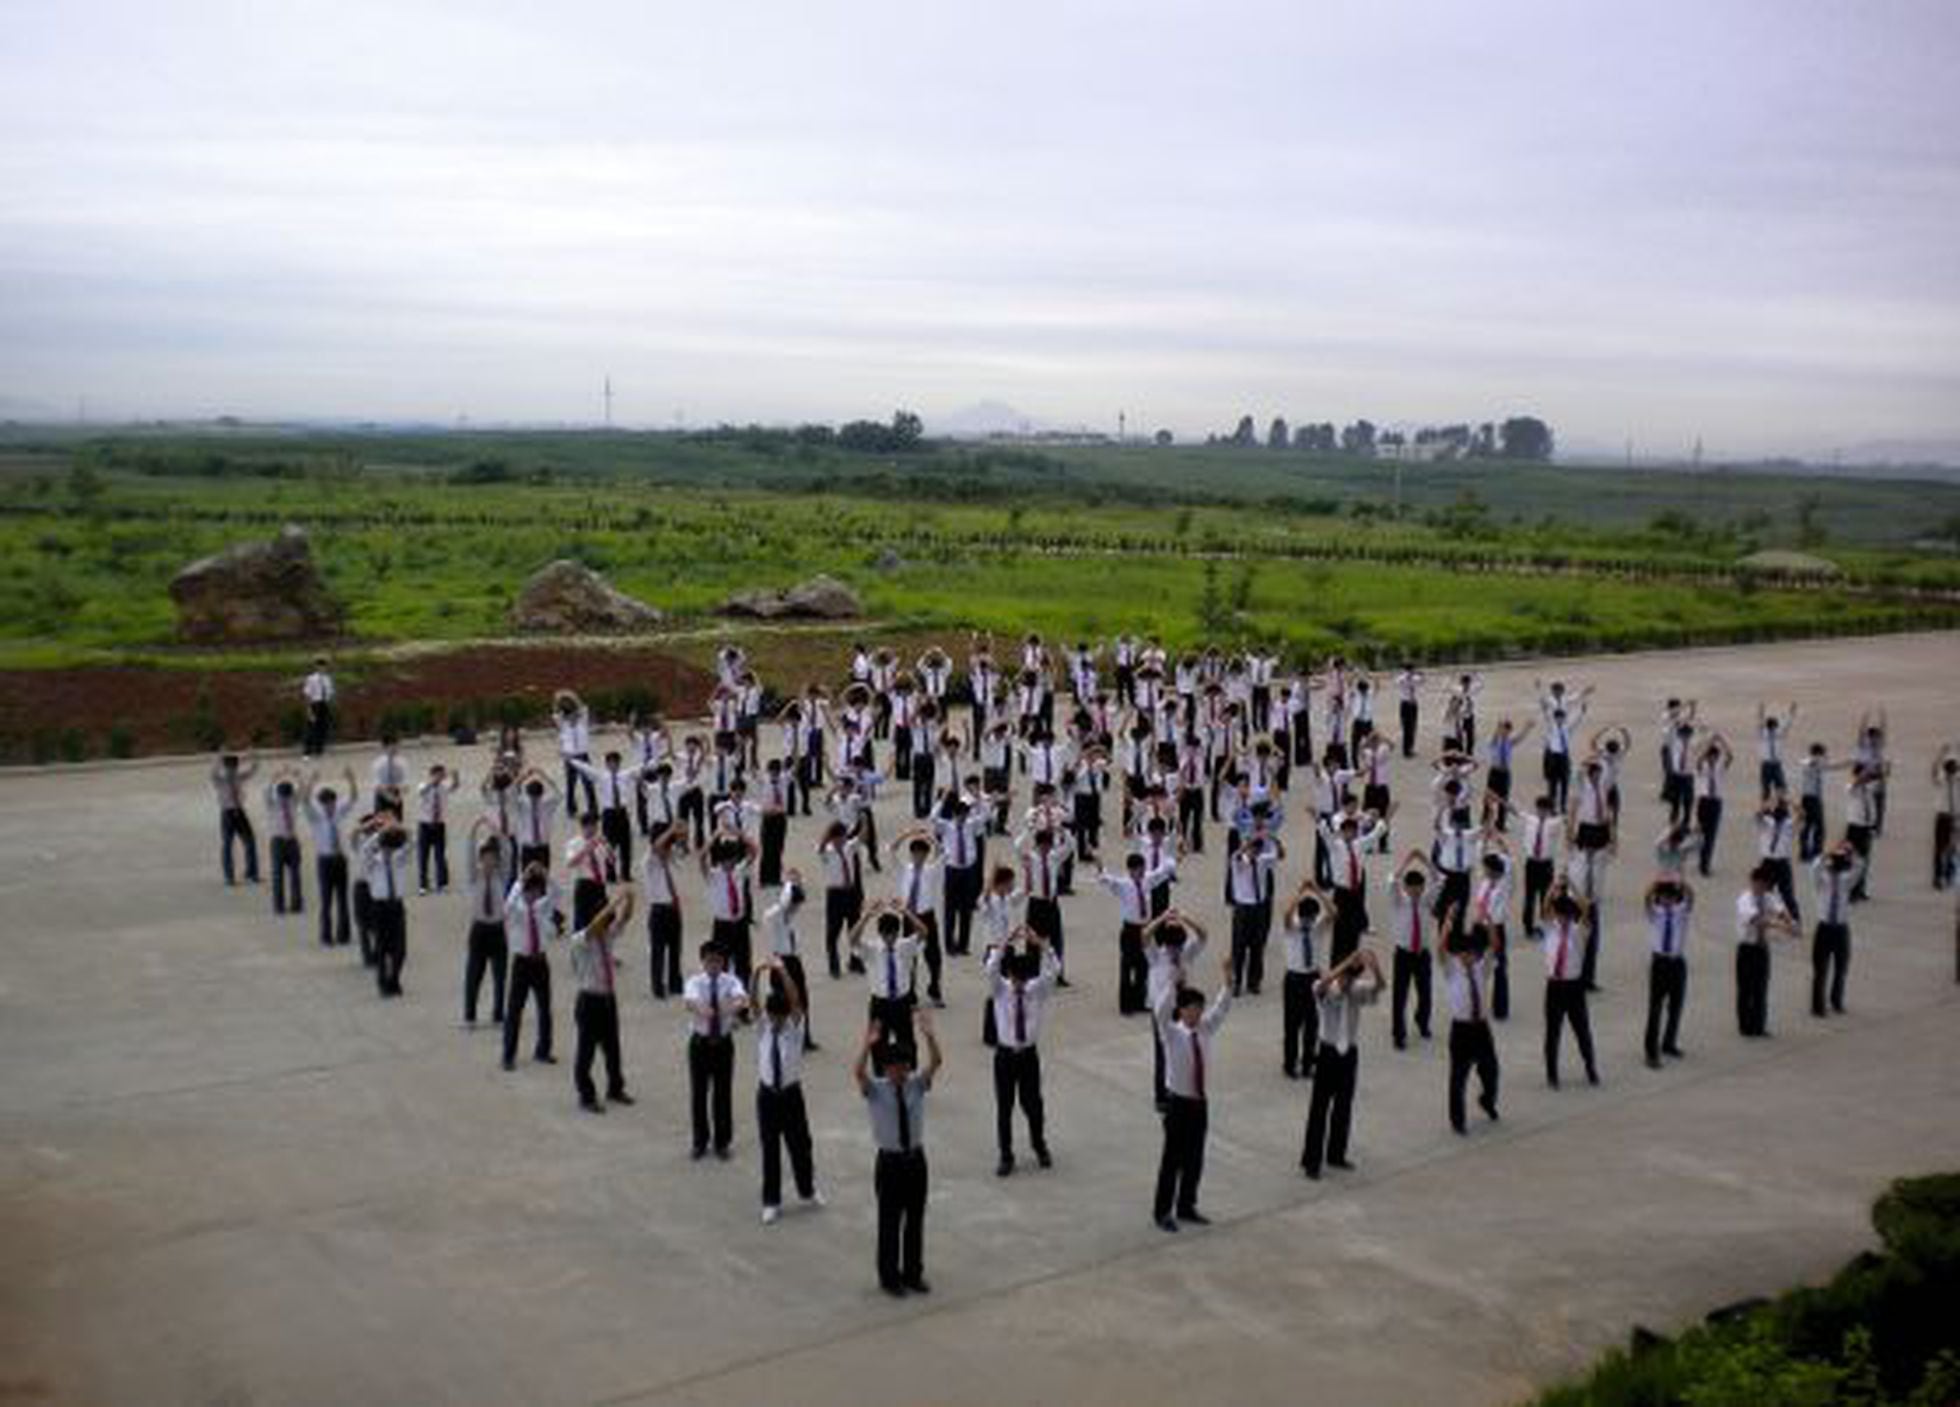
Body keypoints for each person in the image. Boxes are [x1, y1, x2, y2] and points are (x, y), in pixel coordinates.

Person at [856, 1010, 941, 1296]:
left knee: (915, 1219)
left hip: (915, 1159)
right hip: (890, 1162)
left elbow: (936, 1063)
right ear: (886, 1069)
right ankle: (890, 1277)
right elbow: (858, 1073)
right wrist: (867, 1046)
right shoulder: (877, 1090)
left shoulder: (916, 1084)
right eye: (894, 1067)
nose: (900, 1072)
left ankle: (913, 1273)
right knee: (890, 1221)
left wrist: (928, 1036)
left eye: (904, 1066)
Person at [1152, 952, 1231, 1231]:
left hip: (1199, 1103)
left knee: (1195, 1158)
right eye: (1193, 1008)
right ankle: (1163, 1211)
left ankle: (1186, 1205)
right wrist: (1173, 986)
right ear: (1182, 1010)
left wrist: (1227, 979)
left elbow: (1222, 1008)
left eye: (1200, 1008)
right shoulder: (1172, 1033)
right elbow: (1160, 1012)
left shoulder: (1205, 1030)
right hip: (1178, 1104)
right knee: (1172, 1160)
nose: (1198, 1013)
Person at [754, 955, 824, 1224]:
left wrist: (782, 971)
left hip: (792, 1094)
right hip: (768, 1096)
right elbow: (753, 1001)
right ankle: (771, 1201)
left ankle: (807, 1190)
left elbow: (795, 1000)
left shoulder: (793, 1029)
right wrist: (757, 973)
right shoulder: (763, 1028)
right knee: (770, 1148)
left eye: (780, 1017)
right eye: (773, 1017)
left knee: (800, 1145)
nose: (777, 1021)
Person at [1301, 947, 1383, 1179]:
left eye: (1353, 977)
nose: (1350, 982)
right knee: (1319, 1108)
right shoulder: (1327, 990)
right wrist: (1347, 961)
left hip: (1349, 1053)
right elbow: (1322, 984)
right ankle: (1311, 1160)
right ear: (1340, 975)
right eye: (1347, 977)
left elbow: (1380, 987)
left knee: (1343, 1106)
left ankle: (1336, 1154)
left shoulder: (1356, 990)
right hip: (1328, 1051)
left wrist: (1374, 967)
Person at [986, 929, 1060, 1176]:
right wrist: (1004, 942)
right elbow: (990, 969)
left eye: (1024, 979)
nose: (1020, 984)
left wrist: (1042, 945)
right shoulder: (1000, 989)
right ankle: (1005, 1155)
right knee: (1004, 1108)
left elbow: (1053, 971)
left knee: (1033, 1104)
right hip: (1005, 1055)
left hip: (1028, 1055)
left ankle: (1039, 1145)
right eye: (1016, 979)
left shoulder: (1035, 989)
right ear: (1010, 976)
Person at [569, 890, 636, 1114]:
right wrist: (615, 901)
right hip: (589, 999)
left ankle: (615, 1088)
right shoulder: (581, 939)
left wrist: (630, 899)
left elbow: (624, 918)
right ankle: (586, 1095)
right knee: (585, 1051)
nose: (608, 923)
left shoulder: (606, 936)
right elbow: (595, 926)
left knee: (613, 1048)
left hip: (607, 998)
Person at [683, 940, 748, 1159]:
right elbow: (691, 1003)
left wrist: (726, 1008)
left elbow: (741, 999)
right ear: (703, 961)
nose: (713, 965)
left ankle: (722, 1142)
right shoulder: (695, 982)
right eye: (709, 960)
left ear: (724, 963)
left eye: (718, 961)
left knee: (723, 1094)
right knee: (699, 1094)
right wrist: (706, 1010)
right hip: (700, 1044)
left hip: (723, 1043)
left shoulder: (730, 981)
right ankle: (699, 1141)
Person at [502, 863, 564, 1070]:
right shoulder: (517, 910)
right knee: (515, 1010)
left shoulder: (542, 906)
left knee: (544, 1007)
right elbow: (508, 905)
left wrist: (546, 875)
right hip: (522, 961)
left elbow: (558, 893)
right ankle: (508, 1055)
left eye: (537, 892)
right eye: (531, 892)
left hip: (540, 960)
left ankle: (543, 1050)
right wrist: (521, 880)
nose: (533, 896)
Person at [1100, 849, 1175, 1015]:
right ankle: (1125, 1005)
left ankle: (1139, 1001)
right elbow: (1106, 880)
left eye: (1143, 868)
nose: (1142, 871)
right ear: (1131, 870)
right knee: (1127, 967)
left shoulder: (1147, 880)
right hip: (1130, 929)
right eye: (1139, 869)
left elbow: (1161, 872)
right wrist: (1100, 865)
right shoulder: (1123, 884)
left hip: (1145, 929)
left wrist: (1173, 861)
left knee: (1143, 966)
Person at [1440, 927, 1499, 1135]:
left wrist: (1490, 927)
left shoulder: (1481, 968)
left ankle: (1487, 1100)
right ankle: (1458, 1120)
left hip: (1481, 1027)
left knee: (1491, 1069)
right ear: (1458, 954)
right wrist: (1447, 928)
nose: (1468, 957)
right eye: (1463, 953)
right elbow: (1441, 951)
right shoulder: (1452, 969)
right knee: (1458, 1076)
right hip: (1461, 1028)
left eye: (1471, 953)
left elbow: (1493, 948)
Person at [1539, 885, 1599, 1088]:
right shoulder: (1550, 929)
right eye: (1559, 914)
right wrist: (1553, 889)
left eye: (1566, 914)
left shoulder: (1579, 932)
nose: (1562, 918)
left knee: (1582, 1030)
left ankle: (1590, 1067)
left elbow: (1585, 909)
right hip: (1554, 986)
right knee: (1552, 1032)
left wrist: (1573, 886)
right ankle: (1552, 1073)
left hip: (1574, 987)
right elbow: (1545, 908)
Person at [1734, 862, 1799, 1038]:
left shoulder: (1767, 896)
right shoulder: (1744, 900)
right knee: (1745, 989)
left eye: (1765, 885)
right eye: (1760, 884)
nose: (1762, 888)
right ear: (1753, 882)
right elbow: (1757, 920)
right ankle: (1745, 1026)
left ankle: (1759, 1025)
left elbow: (1779, 909)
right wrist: (1782, 927)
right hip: (1747, 948)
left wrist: (1790, 921)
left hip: (1762, 948)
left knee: (1761, 988)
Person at [1280, 881, 1331, 1079]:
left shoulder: (1317, 926)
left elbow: (1333, 912)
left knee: (1312, 1023)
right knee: (1292, 1025)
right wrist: (1300, 894)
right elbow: (1286, 915)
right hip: (1294, 977)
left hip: (1314, 978)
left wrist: (1317, 891)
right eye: (1305, 918)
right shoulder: (1292, 926)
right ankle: (1290, 1064)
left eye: (1311, 918)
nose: (1308, 922)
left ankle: (1309, 1062)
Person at [1642, 875, 1694, 1067]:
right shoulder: (1655, 912)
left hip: (1677, 962)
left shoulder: (1681, 912)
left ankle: (1669, 1042)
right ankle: (1651, 1051)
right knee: (1655, 1008)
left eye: (1671, 896)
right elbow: (1646, 899)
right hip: (1660, 962)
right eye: (1664, 896)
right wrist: (1655, 884)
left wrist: (1682, 883)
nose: (1667, 900)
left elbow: (1691, 897)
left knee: (1676, 1006)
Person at [1387, 854, 1437, 1050]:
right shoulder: (1399, 901)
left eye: (1420, 888)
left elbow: (1439, 879)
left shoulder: (1426, 900)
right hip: (1404, 954)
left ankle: (1422, 1021)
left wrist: (1424, 860)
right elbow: (1392, 881)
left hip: (1422, 953)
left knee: (1425, 993)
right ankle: (1399, 1033)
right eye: (1412, 888)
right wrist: (1407, 860)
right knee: (1400, 995)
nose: (1416, 891)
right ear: (1406, 888)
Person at [762, 871, 817, 1050]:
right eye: (794, 905)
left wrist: (795, 884)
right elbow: (775, 910)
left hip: (794, 960)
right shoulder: (774, 915)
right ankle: (781, 1035)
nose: (796, 909)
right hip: (779, 961)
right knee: (780, 1001)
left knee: (802, 998)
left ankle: (805, 1036)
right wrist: (787, 891)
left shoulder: (791, 916)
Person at [302, 768, 358, 946]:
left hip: (340, 858)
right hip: (325, 860)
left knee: (342, 899)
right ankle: (326, 936)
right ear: (321, 804)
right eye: (327, 804)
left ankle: (344, 935)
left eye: (332, 803)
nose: (331, 807)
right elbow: (304, 801)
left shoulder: (339, 812)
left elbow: (353, 798)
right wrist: (311, 781)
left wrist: (351, 780)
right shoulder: (316, 817)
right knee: (326, 900)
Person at [358, 813, 411, 997]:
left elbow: (412, 842)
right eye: (385, 847)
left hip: (396, 904)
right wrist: (379, 833)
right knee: (382, 948)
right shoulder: (374, 862)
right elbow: (365, 849)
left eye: (391, 847)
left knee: (400, 949)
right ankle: (383, 983)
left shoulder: (399, 859)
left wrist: (395, 826)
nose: (388, 852)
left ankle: (394, 978)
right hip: (379, 906)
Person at [1810, 842, 1864, 1018]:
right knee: (1820, 969)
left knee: (1841, 967)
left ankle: (1836, 1001)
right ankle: (1818, 1006)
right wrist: (1827, 853)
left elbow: (1860, 866)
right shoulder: (1822, 881)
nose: (1836, 869)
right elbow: (1815, 866)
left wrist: (1851, 851)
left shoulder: (1845, 880)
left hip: (1841, 927)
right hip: (1824, 927)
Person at [462, 829, 510, 1027]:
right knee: (474, 974)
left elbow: (509, 852)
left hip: (498, 929)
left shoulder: (502, 877)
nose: (490, 862)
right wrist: (473, 832)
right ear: (481, 860)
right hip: (480, 929)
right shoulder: (475, 877)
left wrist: (499, 833)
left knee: (500, 975)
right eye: (486, 858)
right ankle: (470, 1015)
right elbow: (468, 856)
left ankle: (498, 1014)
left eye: (493, 858)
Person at [642, 824, 687, 999]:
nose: (667, 849)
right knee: (658, 951)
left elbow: (682, 849)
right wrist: (671, 830)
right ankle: (658, 986)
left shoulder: (672, 858)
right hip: (658, 909)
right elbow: (656, 846)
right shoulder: (649, 860)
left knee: (676, 948)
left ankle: (675, 983)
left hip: (674, 908)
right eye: (666, 845)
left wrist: (679, 837)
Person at [210, 750, 261, 885]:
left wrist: (253, 757)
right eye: (230, 767)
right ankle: (229, 877)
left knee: (250, 841)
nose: (232, 770)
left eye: (234, 767)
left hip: (239, 811)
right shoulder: (220, 780)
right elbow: (213, 773)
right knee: (227, 844)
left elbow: (253, 770)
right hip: (227, 813)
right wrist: (218, 758)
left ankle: (252, 872)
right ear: (225, 767)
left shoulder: (239, 777)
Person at [263, 767, 306, 915]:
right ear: (278, 795)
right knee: (278, 875)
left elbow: (302, 790)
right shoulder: (272, 804)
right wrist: (275, 776)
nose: (285, 798)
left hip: (292, 840)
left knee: (295, 874)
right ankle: (278, 905)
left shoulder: (293, 802)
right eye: (283, 796)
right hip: (278, 841)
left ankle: (296, 904)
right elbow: (266, 791)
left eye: (288, 795)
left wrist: (297, 775)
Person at [414, 763, 460, 894]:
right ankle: (423, 885)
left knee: (440, 855)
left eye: (442, 775)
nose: (441, 777)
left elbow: (455, 786)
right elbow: (421, 791)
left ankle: (442, 883)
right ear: (433, 774)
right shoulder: (423, 785)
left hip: (439, 824)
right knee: (423, 856)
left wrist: (456, 776)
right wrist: (433, 782)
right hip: (425, 824)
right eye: (439, 774)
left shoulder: (443, 787)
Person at [301, 657, 335, 757]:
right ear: (316, 667)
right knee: (311, 728)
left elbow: (330, 692)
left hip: (324, 704)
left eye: (324, 666)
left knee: (322, 728)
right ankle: (307, 752)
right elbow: (307, 694)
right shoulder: (311, 678)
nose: (322, 668)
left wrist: (329, 703)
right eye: (320, 666)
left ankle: (319, 751)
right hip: (314, 704)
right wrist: (308, 709)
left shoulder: (328, 679)